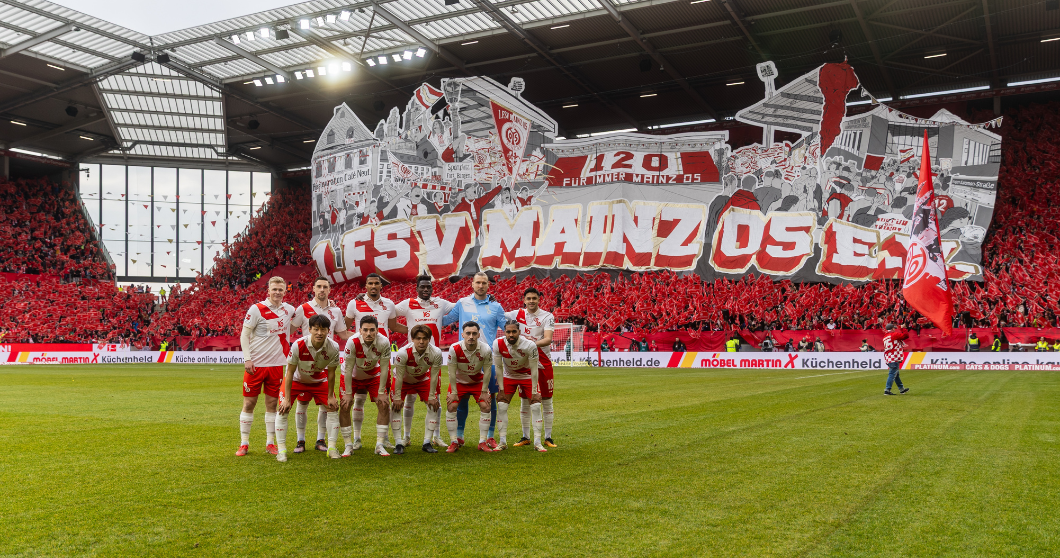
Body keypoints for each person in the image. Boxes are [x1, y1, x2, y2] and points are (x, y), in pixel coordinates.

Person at [442, 271, 505, 449]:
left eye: (484, 283)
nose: (481, 286)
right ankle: (459, 436)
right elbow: (445, 320)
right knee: (460, 399)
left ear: (488, 285)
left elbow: (507, 327)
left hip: (487, 358)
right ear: (472, 284)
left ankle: (490, 436)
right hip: (464, 357)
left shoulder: (496, 306)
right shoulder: (463, 303)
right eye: (478, 282)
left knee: (489, 399)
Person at [290, 277, 353, 454]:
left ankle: (320, 439)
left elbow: (342, 334)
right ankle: (300, 441)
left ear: (329, 290)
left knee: (325, 405)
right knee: (302, 402)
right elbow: (290, 330)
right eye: (319, 286)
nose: (322, 289)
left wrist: (363, 335)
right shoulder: (303, 308)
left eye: (325, 286)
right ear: (313, 288)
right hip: (305, 362)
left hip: (326, 360)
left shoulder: (336, 310)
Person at [344, 273, 406, 450]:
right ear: (365, 286)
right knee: (358, 399)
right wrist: (357, 342)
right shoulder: (354, 303)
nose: (373, 286)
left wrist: (416, 330)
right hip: (360, 357)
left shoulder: (389, 304)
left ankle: (383, 438)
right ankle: (357, 438)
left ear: (381, 286)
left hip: (381, 355)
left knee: (384, 399)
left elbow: (393, 327)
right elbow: (344, 327)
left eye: (376, 283)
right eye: (370, 283)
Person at [394, 276, 457, 447]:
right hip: (412, 356)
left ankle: (436, 436)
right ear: (417, 288)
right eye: (422, 287)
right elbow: (389, 312)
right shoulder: (408, 303)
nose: (426, 289)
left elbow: (461, 305)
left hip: (432, 357)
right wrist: (406, 330)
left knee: (435, 398)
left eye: (428, 286)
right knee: (409, 399)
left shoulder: (440, 303)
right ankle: (406, 437)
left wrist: (486, 297)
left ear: (432, 288)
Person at [237, 277, 296, 457]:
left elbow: (303, 317)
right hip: (256, 365)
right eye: (274, 289)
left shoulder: (289, 310)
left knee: (272, 404)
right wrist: (247, 359)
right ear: (268, 291)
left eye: (280, 289)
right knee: (249, 403)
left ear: (285, 291)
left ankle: (270, 443)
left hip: (277, 365)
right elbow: (244, 334)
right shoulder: (257, 309)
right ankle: (244, 443)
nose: (277, 292)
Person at [275, 314, 341, 462]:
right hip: (297, 380)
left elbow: (331, 373)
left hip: (319, 381)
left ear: (328, 331)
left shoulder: (333, 347)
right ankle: (281, 450)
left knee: (332, 407)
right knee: (283, 408)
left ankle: (331, 448)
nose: (319, 333)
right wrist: (286, 399)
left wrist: (331, 396)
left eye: (323, 329)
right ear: (309, 329)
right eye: (316, 329)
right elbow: (289, 372)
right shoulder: (298, 345)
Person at [506, 287, 558, 448]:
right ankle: (525, 436)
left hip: (543, 361)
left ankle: (548, 437)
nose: (531, 301)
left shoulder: (547, 316)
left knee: (547, 400)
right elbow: (498, 314)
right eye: (528, 298)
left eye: (534, 298)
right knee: (525, 400)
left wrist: (530, 344)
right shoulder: (517, 314)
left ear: (539, 300)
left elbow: (548, 339)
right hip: (525, 362)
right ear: (524, 300)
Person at [340, 315, 394, 456]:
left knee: (383, 404)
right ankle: (349, 445)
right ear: (360, 330)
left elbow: (384, 368)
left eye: (372, 330)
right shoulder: (352, 341)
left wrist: (382, 392)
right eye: (365, 330)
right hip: (352, 376)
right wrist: (348, 393)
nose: (368, 333)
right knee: (345, 405)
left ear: (377, 330)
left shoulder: (384, 342)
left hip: (372, 375)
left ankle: (379, 445)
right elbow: (348, 369)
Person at [389, 324, 444, 454]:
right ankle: (398, 443)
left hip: (422, 379)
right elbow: (399, 376)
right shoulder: (403, 352)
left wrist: (432, 396)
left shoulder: (436, 352)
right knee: (396, 406)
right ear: (412, 339)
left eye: (425, 338)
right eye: (418, 338)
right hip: (403, 380)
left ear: (429, 339)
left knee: (434, 405)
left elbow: (434, 376)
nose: (421, 341)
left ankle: (427, 442)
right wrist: (397, 397)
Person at [493, 320, 545, 452]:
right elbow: (498, 367)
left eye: (514, 331)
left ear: (519, 332)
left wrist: (534, 390)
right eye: (508, 332)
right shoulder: (497, 343)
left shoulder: (529, 345)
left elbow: (534, 369)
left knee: (536, 405)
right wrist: (501, 389)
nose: (511, 334)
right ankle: (502, 442)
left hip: (527, 375)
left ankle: (538, 442)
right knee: (502, 405)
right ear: (504, 332)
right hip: (509, 376)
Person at [445, 321, 495, 453]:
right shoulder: (454, 348)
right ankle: (454, 442)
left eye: (474, 333)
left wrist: (484, 391)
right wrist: (454, 392)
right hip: (459, 382)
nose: (471, 336)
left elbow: (488, 371)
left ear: (478, 335)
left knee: (486, 406)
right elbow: (451, 372)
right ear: (462, 334)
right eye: (468, 333)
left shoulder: (485, 349)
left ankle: (482, 442)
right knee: (451, 406)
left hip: (477, 381)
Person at [882, 323, 910, 395]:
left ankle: (901, 389)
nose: (895, 329)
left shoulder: (885, 337)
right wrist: (903, 328)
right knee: (892, 374)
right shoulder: (894, 334)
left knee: (896, 374)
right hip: (894, 357)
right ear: (892, 329)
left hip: (888, 357)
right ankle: (887, 390)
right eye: (894, 328)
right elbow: (906, 336)